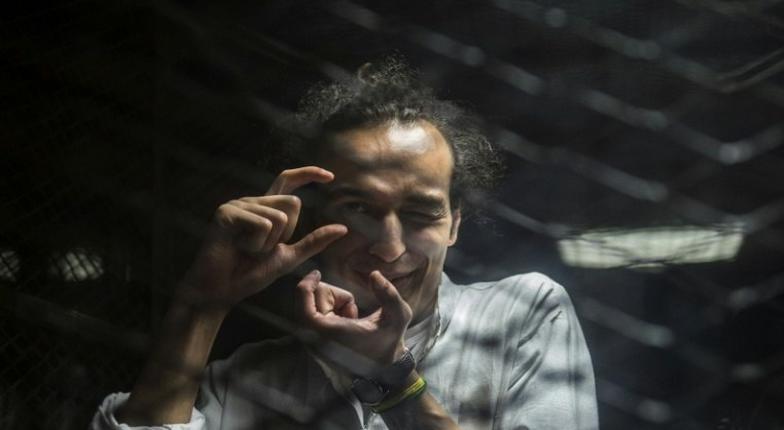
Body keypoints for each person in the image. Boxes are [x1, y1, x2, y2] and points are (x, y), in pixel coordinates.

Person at [91, 58, 598, 430]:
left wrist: (392, 379)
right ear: (310, 218)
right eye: (359, 209)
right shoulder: (247, 379)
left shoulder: (523, 314)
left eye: (421, 213)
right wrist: (201, 306)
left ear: (454, 225)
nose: (389, 247)